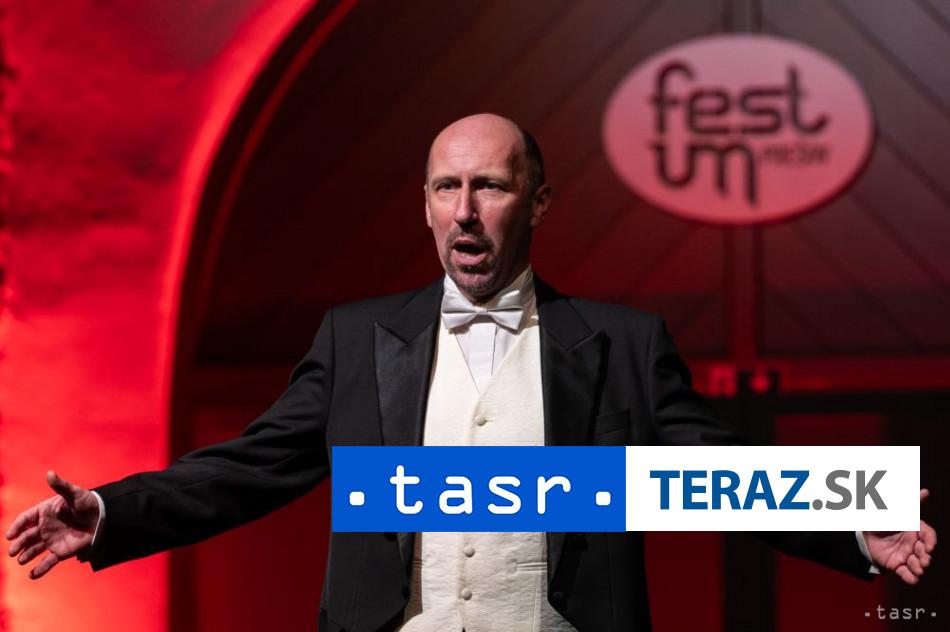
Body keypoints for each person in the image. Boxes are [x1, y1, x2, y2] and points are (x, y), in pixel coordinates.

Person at [5, 114, 938, 632]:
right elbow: (251, 467)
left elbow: (718, 472)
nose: (465, 210)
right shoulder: (357, 338)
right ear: (423, 206)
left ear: (537, 201)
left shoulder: (621, 343)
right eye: (446, 188)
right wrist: (112, 512)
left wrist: (857, 522)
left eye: (489, 186)